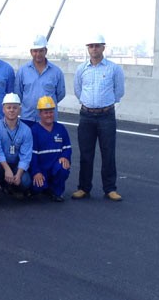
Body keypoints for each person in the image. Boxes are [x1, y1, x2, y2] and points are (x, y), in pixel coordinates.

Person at [72, 34, 125, 202]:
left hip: (106, 115)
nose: (94, 49)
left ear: (103, 47)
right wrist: (89, 104)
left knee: (108, 153)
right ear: (88, 48)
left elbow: (119, 92)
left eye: (97, 46)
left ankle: (110, 189)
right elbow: (78, 91)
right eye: (91, 46)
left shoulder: (113, 69)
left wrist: (104, 104)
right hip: (86, 115)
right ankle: (83, 188)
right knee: (86, 154)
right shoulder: (82, 69)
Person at [0, 93, 33, 201]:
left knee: (25, 181)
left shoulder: (26, 130)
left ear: (19, 110)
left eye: (15, 107)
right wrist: (7, 169)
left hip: (16, 165)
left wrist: (19, 173)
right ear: (3, 109)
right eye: (8, 107)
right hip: (1, 164)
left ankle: (12, 188)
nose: (11, 110)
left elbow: (26, 156)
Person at [15, 35, 65, 126]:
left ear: (46, 51)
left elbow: (60, 94)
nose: (38, 54)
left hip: (49, 119)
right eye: (35, 51)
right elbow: (18, 93)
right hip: (28, 118)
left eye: (41, 51)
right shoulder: (22, 71)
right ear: (31, 52)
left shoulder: (56, 72)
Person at [30, 96, 71, 202]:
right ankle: (42, 188)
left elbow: (67, 148)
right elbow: (32, 156)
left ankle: (57, 192)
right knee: (37, 187)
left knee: (63, 167)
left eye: (51, 112)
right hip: (41, 169)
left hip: (55, 167)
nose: (49, 115)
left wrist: (65, 157)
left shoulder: (61, 128)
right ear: (40, 114)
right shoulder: (34, 131)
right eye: (46, 112)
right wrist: (36, 172)